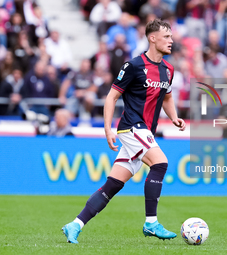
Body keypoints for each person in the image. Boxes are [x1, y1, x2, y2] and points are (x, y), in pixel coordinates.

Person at [61, 19, 186, 243]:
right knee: (160, 163)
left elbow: (166, 97)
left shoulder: (168, 70)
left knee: (113, 184)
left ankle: (75, 224)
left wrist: (174, 117)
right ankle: (151, 223)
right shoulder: (134, 66)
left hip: (145, 131)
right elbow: (112, 96)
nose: (171, 41)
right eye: (166, 37)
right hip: (132, 127)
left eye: (171, 37)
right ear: (152, 38)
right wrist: (108, 129)